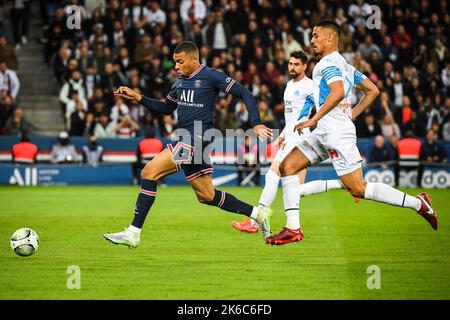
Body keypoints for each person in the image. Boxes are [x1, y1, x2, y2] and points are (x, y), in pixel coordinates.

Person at [266, 20, 438, 246]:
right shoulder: (345, 65)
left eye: (316, 36)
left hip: (336, 134)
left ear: (330, 38)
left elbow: (337, 93)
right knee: (287, 166)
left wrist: (314, 119)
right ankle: (292, 228)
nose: (312, 40)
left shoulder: (325, 65)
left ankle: (419, 204)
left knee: (357, 188)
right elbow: (372, 90)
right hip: (324, 132)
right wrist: (350, 115)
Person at [103, 41, 273, 248]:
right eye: (175, 62)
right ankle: (259, 214)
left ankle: (133, 232)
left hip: (197, 138)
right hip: (188, 138)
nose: (176, 66)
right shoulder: (179, 83)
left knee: (149, 172)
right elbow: (166, 108)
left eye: (180, 62)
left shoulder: (212, 76)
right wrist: (138, 97)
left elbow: (244, 92)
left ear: (194, 59)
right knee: (207, 195)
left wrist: (255, 123)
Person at [231, 51, 345, 237]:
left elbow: (324, 107)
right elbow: (291, 117)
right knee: (296, 190)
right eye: (290, 64)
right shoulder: (289, 86)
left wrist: (317, 125)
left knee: (271, 175)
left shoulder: (311, 86)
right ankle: (343, 184)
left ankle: (255, 221)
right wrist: (283, 135)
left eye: (296, 64)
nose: (292, 67)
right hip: (291, 137)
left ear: (305, 66)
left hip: (301, 138)